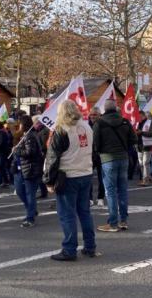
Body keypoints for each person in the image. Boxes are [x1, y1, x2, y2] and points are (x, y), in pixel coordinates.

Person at [43, 100, 98, 261]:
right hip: (85, 173)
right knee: (84, 212)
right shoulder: (87, 127)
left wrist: (48, 180)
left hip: (68, 175)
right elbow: (93, 151)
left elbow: (52, 158)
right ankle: (90, 246)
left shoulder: (62, 129)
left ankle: (69, 249)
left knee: (67, 215)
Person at [93, 99, 137, 232]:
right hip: (123, 158)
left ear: (104, 109)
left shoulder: (99, 123)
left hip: (107, 159)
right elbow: (134, 139)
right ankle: (123, 221)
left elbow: (96, 143)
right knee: (122, 190)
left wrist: (100, 152)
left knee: (110, 191)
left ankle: (112, 223)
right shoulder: (125, 121)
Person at [13, 115, 44, 228]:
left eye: (19, 123)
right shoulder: (24, 135)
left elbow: (29, 152)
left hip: (30, 169)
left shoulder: (30, 136)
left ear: (23, 124)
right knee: (20, 191)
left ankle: (30, 218)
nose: (18, 125)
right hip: (22, 168)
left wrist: (17, 150)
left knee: (30, 194)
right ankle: (32, 210)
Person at [87, 108, 105, 207]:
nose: (92, 116)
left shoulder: (103, 125)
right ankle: (89, 198)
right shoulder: (86, 126)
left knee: (101, 178)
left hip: (101, 155)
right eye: (91, 115)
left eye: (95, 115)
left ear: (99, 115)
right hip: (89, 155)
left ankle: (100, 197)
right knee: (88, 177)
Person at [135, 111, 152, 186]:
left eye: (140, 116)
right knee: (141, 163)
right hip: (139, 145)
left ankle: (145, 180)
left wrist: (142, 132)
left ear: (143, 115)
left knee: (145, 163)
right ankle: (147, 177)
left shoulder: (150, 123)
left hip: (147, 145)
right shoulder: (137, 123)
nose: (139, 118)